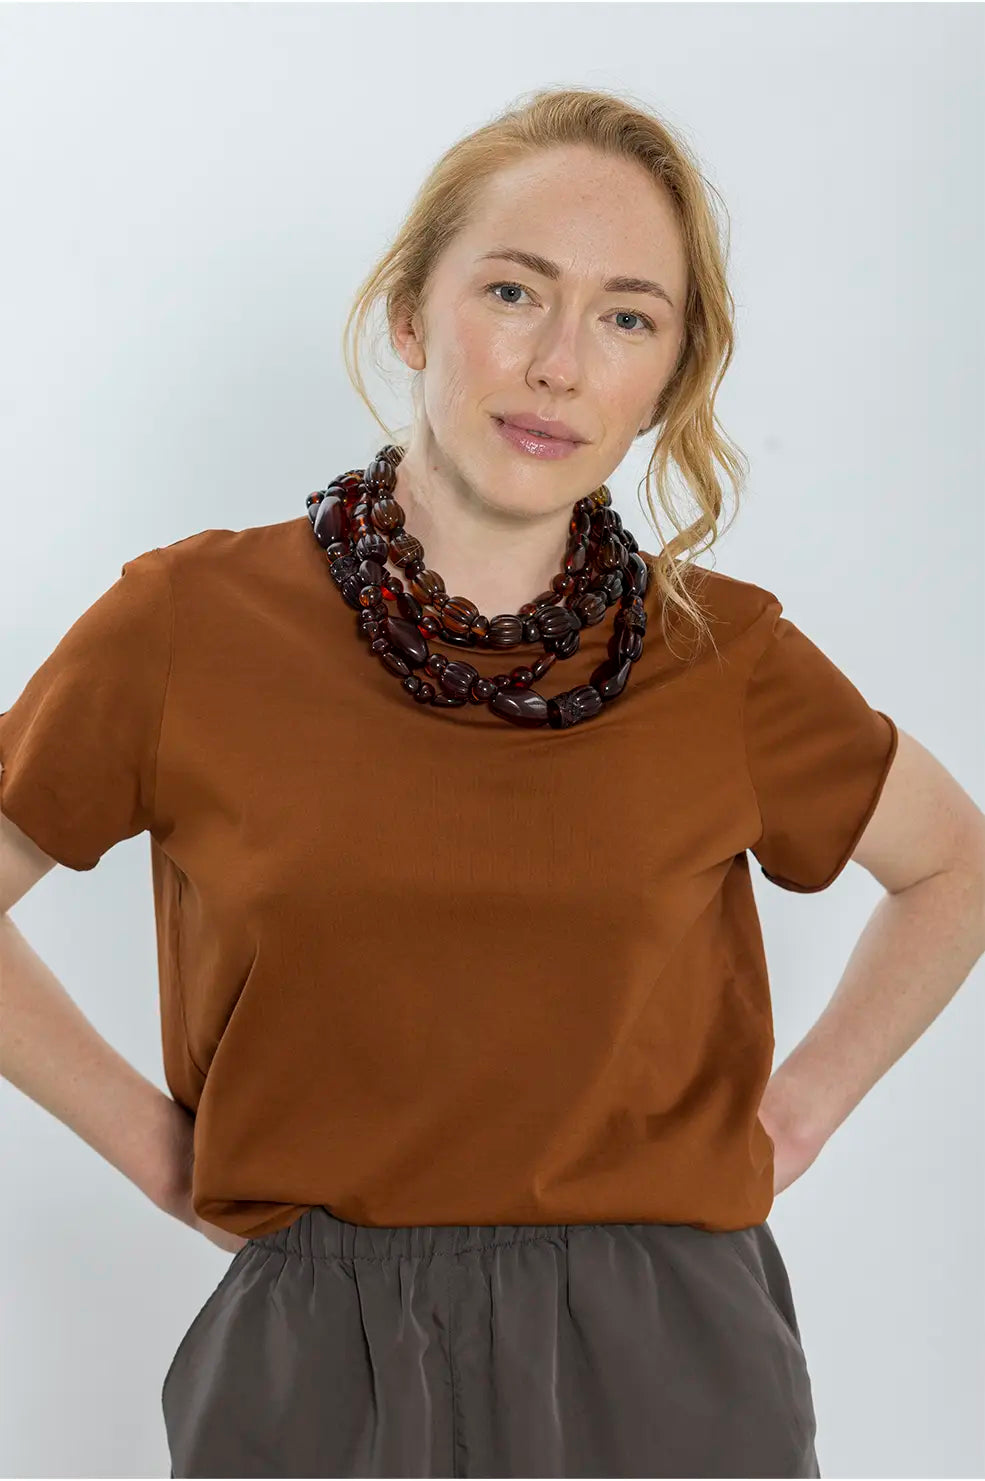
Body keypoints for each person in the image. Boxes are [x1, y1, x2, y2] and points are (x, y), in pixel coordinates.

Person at [1, 86, 983, 1481]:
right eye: (515, 291)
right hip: (318, 1356)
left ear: (668, 377)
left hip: (669, 1355)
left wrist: (803, 1109)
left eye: (627, 317)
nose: (559, 364)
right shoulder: (188, 625)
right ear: (411, 315)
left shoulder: (725, 659)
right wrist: (159, 1155)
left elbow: (954, 864)